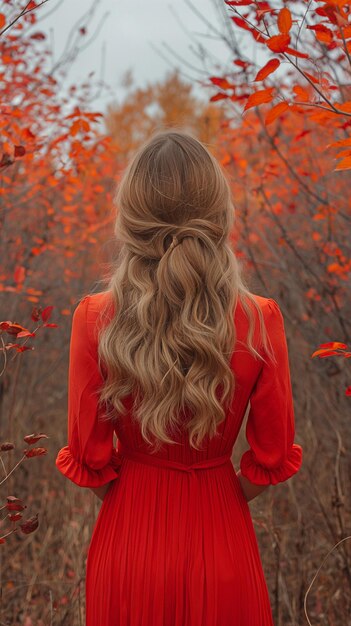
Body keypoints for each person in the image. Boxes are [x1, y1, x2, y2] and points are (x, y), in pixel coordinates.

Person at [56, 128, 303, 625]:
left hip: (128, 549)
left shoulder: (94, 317)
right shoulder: (259, 318)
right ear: (219, 213)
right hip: (222, 537)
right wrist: (215, 490)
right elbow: (273, 455)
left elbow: (90, 458)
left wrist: (142, 490)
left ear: (131, 214)